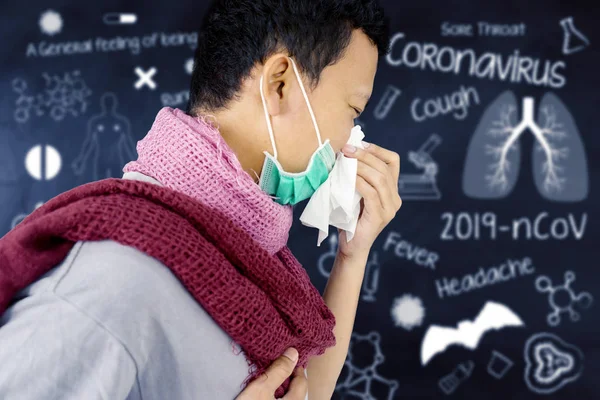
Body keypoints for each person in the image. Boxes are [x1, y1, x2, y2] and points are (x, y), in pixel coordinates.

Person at [0, 0, 400, 399]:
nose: (351, 139)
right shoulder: (110, 288)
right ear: (279, 83)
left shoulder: (237, 256)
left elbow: (302, 388)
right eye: (353, 111)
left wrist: (353, 254)